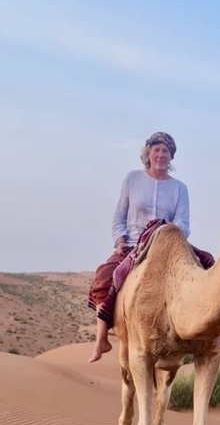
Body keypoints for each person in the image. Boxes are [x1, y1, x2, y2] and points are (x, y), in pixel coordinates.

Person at [88, 130, 212, 362]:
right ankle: (101, 338)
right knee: (103, 276)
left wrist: (166, 233)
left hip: (167, 245)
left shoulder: (179, 188)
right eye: (157, 150)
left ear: (171, 157)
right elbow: (119, 217)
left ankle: (212, 332)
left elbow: (183, 223)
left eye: (166, 151)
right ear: (148, 153)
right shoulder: (132, 179)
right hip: (133, 245)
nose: (161, 155)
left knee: (207, 266)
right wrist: (120, 240)